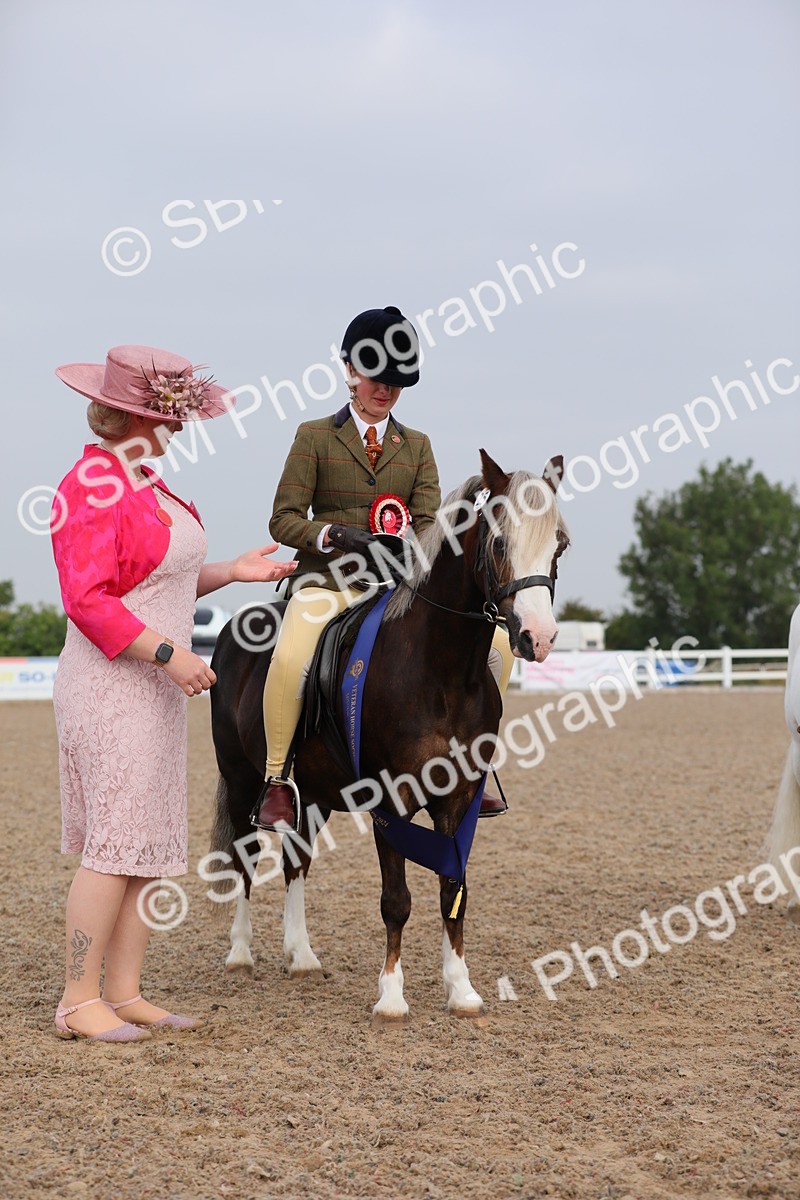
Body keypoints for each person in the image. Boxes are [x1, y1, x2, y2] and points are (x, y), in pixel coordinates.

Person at [50, 344, 297, 1042]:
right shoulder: (92, 487)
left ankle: (122, 990)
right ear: (135, 416)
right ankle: (76, 997)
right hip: (113, 686)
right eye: (174, 414)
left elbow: (157, 583)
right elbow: (88, 601)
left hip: (152, 689)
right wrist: (168, 655)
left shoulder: (144, 482)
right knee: (113, 845)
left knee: (147, 847)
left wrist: (231, 570)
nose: (185, 425)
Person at [256, 307, 514, 831]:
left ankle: (474, 766)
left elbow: (428, 523)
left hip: (397, 587)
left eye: (398, 381)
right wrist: (332, 535)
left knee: (500, 648)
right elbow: (283, 520)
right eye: (379, 377)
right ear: (351, 369)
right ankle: (278, 780)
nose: (388, 390)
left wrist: (409, 547)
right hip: (328, 583)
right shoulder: (314, 437)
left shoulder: (416, 445)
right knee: (290, 658)